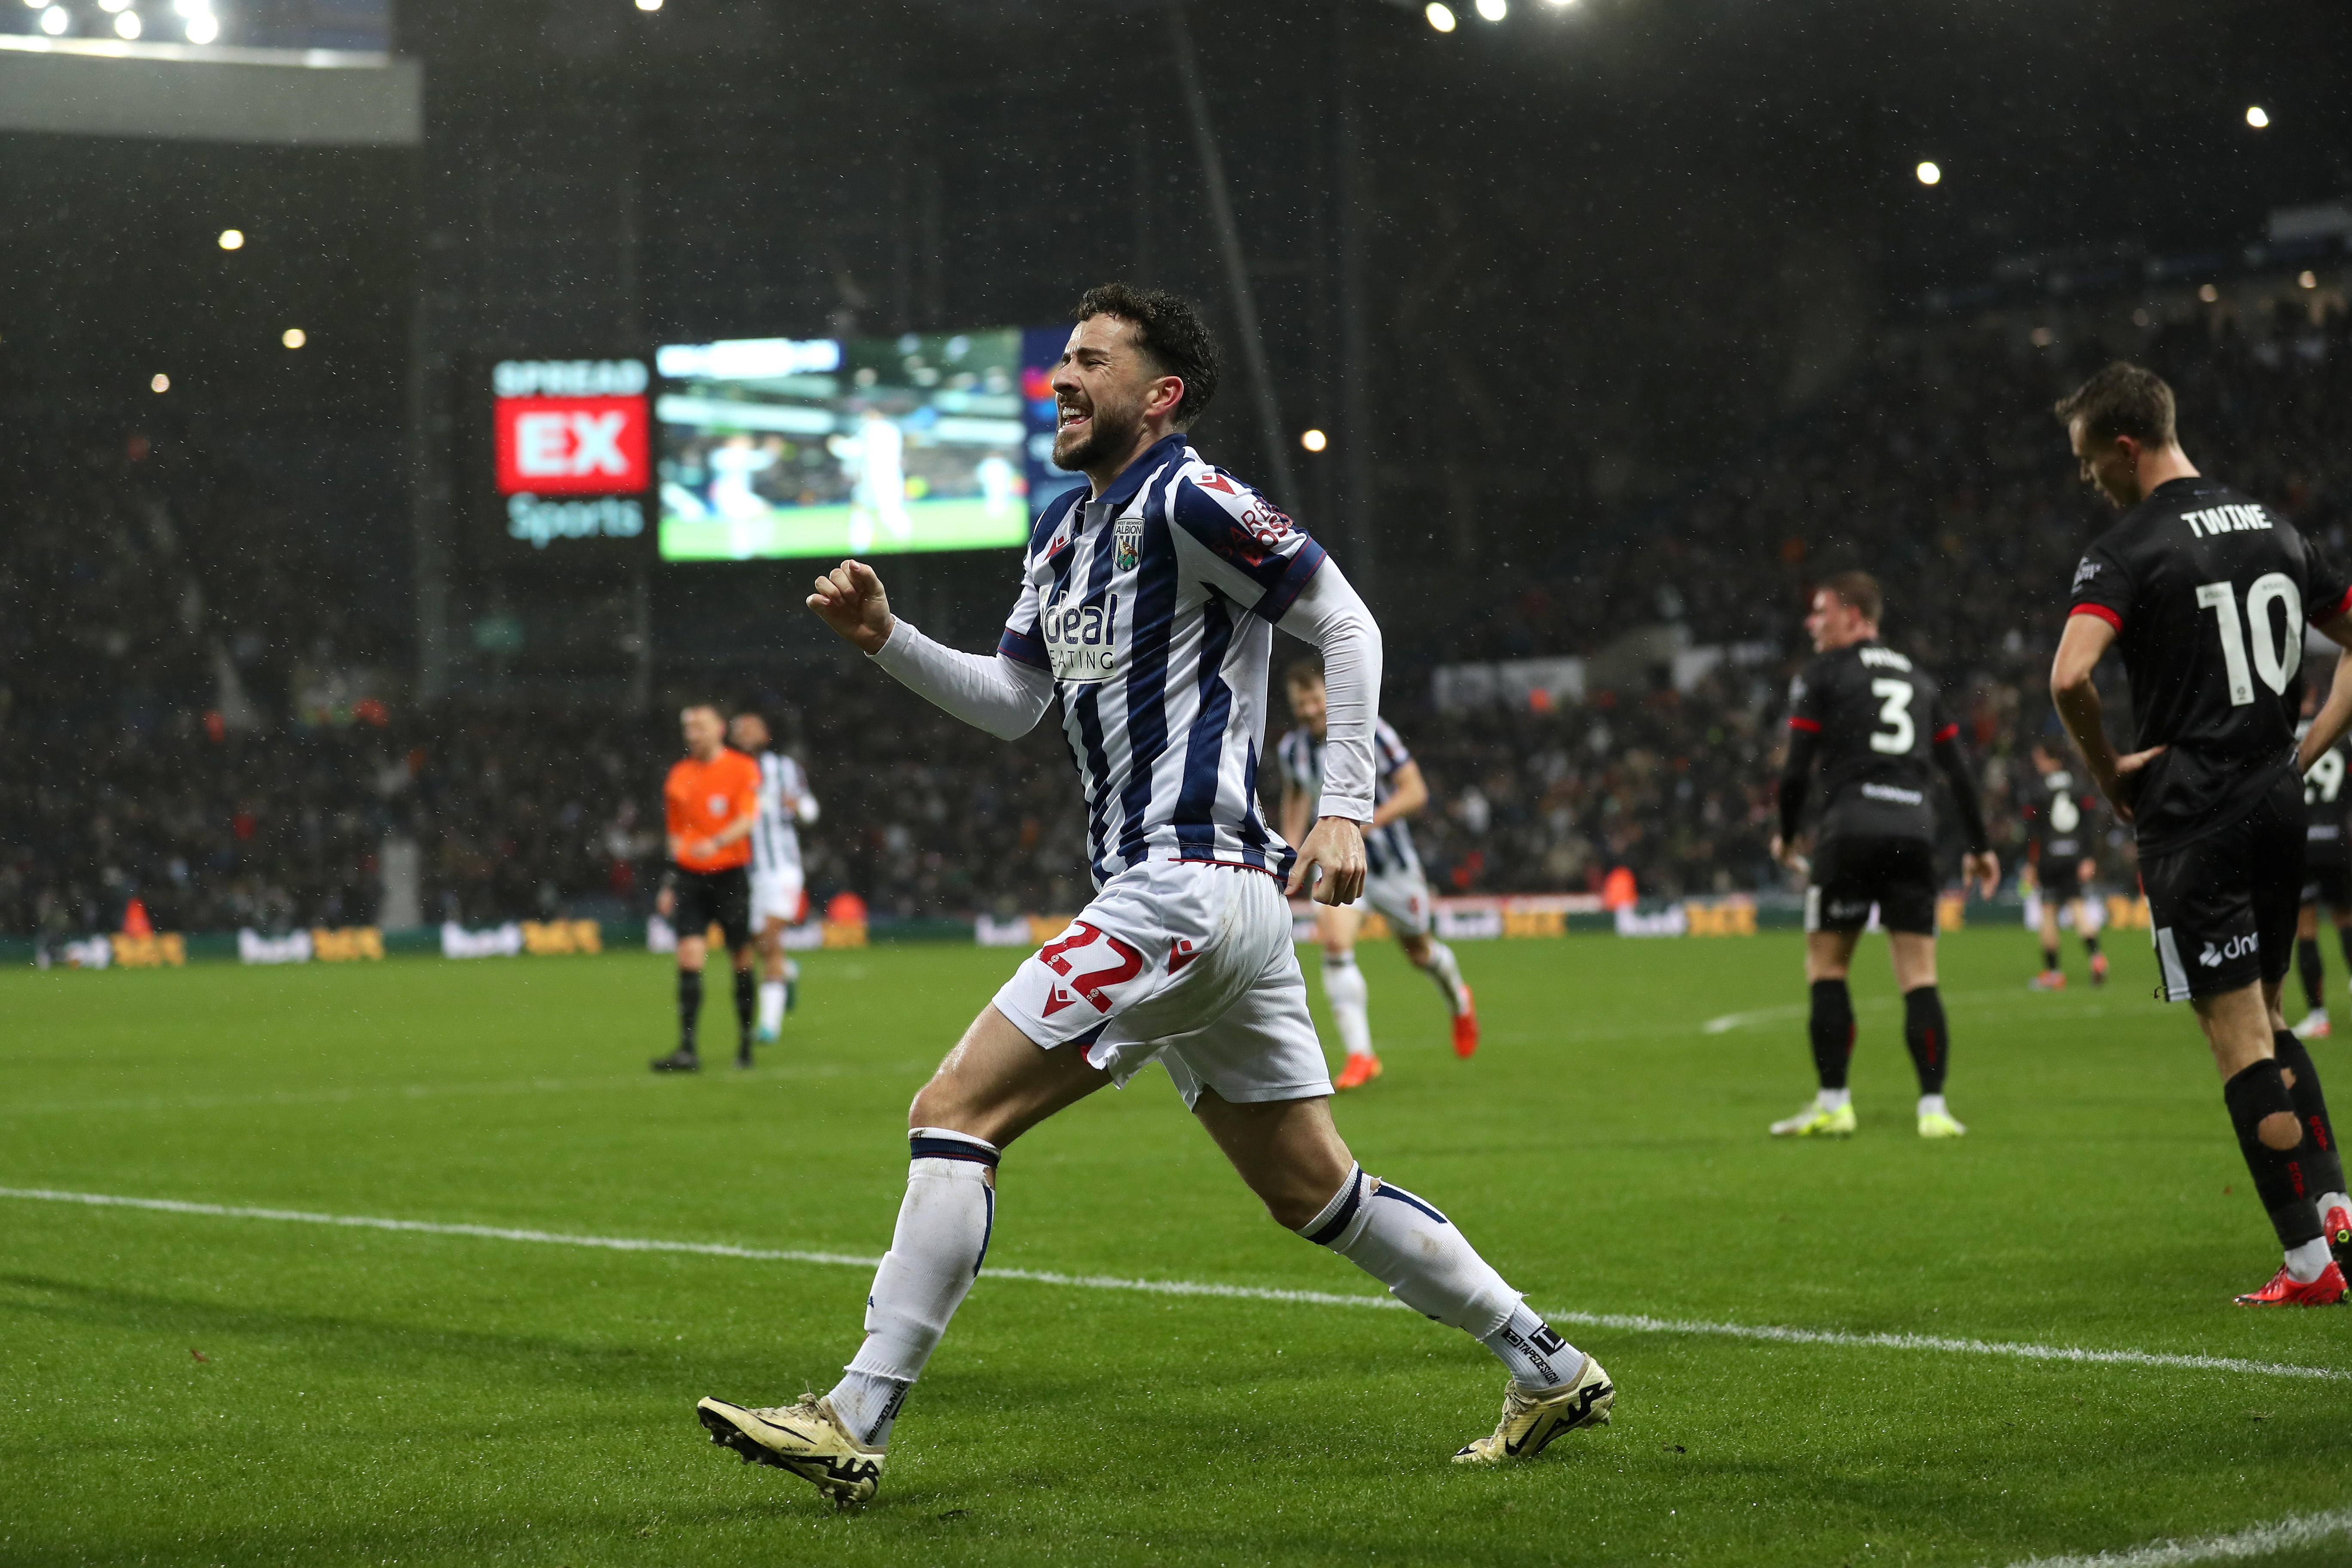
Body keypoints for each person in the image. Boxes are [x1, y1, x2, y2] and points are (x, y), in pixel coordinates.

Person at [696, 284, 1610, 1505]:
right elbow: (1015, 702)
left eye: (1090, 361)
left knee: (956, 1111)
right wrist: (889, 639)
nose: (1063, 380)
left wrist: (1342, 802)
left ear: (1159, 392)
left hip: (1181, 890)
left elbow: (1345, 621)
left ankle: (853, 1417)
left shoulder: (1189, 494)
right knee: (1316, 1190)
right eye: (1061, 362)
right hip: (1212, 909)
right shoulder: (1063, 533)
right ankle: (1543, 1362)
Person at [2048, 361, 2352, 1305]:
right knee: (2264, 1005)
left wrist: (2109, 775)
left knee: (2237, 1038)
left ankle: (2308, 1266)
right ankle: (2337, 1206)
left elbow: (2069, 678)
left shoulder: (2127, 549)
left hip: (2195, 819)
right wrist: (2302, 752)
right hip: (2275, 802)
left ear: (2126, 448)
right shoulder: (2273, 526)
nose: (2089, 478)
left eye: (2091, 461)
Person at [1768, 571, 1998, 1140]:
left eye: (1821, 611)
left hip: (1849, 829)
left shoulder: (1822, 674)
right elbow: (1958, 772)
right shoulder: (1919, 680)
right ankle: (1934, 1110)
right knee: (1919, 976)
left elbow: (1796, 765)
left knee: (1827, 967)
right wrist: (1979, 846)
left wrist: (1787, 831)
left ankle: (1834, 1103)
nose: (1811, 623)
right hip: (1913, 833)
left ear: (1854, 615)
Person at [1277, 654, 1477, 1089]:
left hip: (1392, 866)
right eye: (1300, 704)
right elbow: (1294, 800)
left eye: (1314, 699)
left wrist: (1359, 825)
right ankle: (1361, 1055)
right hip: (1339, 864)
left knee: (1420, 953)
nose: (1309, 710)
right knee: (1334, 943)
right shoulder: (1292, 750)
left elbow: (1416, 792)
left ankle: (1459, 999)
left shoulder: (1371, 732)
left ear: (1330, 693)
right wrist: (1290, 851)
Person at [650, 704, 761, 1073]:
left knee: (741, 959)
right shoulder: (679, 775)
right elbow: (674, 833)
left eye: (699, 727)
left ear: (719, 729)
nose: (692, 734)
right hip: (690, 878)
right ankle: (687, 1050)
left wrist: (715, 842)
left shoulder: (742, 768)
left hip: (730, 876)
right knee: (689, 958)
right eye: (688, 728)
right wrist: (669, 881)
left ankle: (745, 1046)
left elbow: (747, 819)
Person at [729, 711, 819, 1041]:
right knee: (754, 943)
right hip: (745, 872)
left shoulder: (783, 768)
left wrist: (797, 806)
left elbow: (811, 810)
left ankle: (769, 1026)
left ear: (765, 735)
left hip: (782, 867)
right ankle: (786, 971)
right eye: (739, 728)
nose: (745, 732)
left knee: (768, 937)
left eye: (752, 727)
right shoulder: (727, 772)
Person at [2291, 679, 2352, 1039]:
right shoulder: (2337, 737)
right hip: (2338, 844)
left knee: (2306, 930)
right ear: (2314, 695)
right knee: (2346, 919)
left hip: (2301, 845)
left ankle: (2319, 1016)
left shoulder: (2282, 738)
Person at [2021, 741, 2109, 989]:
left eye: (2039, 757)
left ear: (2051, 759)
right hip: (2074, 856)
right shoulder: (2079, 784)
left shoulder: (2036, 789)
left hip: (2049, 858)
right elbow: (2090, 824)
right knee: (2078, 907)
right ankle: (2097, 959)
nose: (2037, 762)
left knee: (2048, 912)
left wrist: (2031, 863)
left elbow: (2033, 831)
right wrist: (2088, 856)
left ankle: (2054, 973)